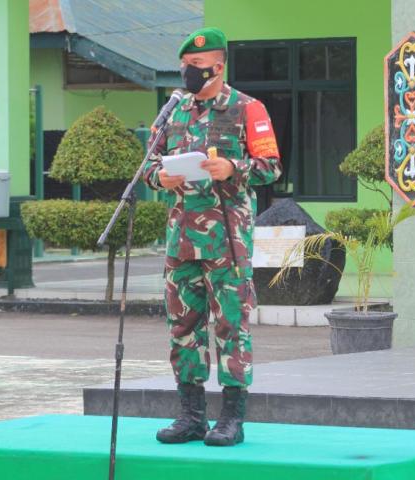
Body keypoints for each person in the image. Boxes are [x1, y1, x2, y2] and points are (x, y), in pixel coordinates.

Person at [143, 27, 282, 446]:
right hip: (180, 239)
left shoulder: (247, 109)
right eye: (186, 66)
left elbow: (272, 166)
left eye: (197, 67)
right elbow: (147, 164)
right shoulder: (173, 110)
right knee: (183, 326)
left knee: (230, 325)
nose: (189, 73)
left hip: (227, 241)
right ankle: (190, 415)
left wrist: (234, 169)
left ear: (218, 68)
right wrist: (159, 178)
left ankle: (232, 419)